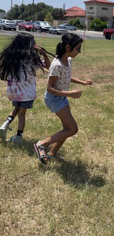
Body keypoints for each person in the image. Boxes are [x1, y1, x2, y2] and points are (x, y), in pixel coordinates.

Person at [34, 33, 93, 164]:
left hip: (61, 98)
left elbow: (66, 77)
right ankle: (41, 144)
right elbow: (49, 88)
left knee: (66, 128)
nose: (79, 51)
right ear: (68, 47)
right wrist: (70, 93)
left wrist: (82, 82)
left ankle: (52, 153)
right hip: (53, 99)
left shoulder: (68, 61)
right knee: (72, 129)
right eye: (77, 48)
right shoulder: (57, 65)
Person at [0, 33, 51, 144]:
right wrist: (44, 54)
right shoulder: (32, 58)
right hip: (27, 93)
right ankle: (19, 136)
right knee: (22, 115)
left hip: (14, 92)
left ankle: (4, 125)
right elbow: (47, 65)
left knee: (16, 109)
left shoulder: (11, 56)